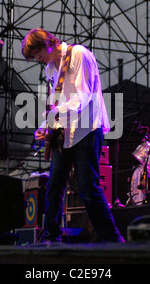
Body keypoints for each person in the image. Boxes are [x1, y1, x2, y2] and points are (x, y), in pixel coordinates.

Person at [21, 28, 124, 243]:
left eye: (36, 52)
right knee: (54, 185)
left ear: (46, 42)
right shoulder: (50, 69)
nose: (37, 58)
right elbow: (55, 103)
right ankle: (51, 236)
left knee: (88, 187)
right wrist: (45, 125)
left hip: (87, 129)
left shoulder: (78, 54)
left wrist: (55, 114)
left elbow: (83, 96)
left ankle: (113, 240)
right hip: (64, 132)